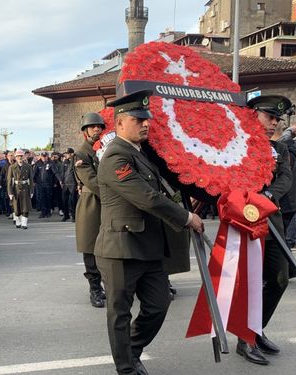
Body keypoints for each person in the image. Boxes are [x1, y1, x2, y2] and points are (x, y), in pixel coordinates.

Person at [95, 90, 203, 375]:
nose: (145, 124)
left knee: (158, 305)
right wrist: (186, 217)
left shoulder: (142, 154)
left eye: (147, 119)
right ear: (119, 123)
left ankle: (132, 349)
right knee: (119, 313)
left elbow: (164, 188)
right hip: (121, 248)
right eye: (137, 119)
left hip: (149, 248)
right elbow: (147, 197)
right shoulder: (115, 157)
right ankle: (126, 369)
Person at [241, 95, 294, 365]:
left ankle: (256, 329)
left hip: (271, 219)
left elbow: (286, 176)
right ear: (253, 115)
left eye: (277, 119)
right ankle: (245, 338)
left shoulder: (279, 149)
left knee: (279, 278)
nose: (274, 123)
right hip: (244, 220)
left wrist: (270, 195)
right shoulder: (237, 144)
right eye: (269, 117)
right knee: (248, 283)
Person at [74, 112, 106, 308]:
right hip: (91, 203)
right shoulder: (81, 154)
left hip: (109, 202)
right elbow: (92, 182)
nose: (97, 129)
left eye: (100, 126)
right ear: (85, 131)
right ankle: (95, 288)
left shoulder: (108, 149)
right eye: (93, 126)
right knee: (91, 247)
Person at [7, 149, 33, 229]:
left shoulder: (28, 166)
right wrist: (10, 192)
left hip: (25, 188)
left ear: (24, 156)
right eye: (18, 156)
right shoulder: (12, 167)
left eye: (21, 156)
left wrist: (31, 191)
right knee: (17, 208)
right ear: (15, 157)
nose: (20, 158)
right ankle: (18, 221)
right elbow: (9, 181)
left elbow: (31, 179)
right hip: (16, 188)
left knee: (25, 207)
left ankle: (24, 223)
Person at [60, 148, 78, 222]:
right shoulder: (65, 161)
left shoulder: (75, 161)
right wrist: (62, 181)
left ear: (71, 154)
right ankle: (66, 215)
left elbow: (77, 173)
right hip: (65, 184)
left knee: (73, 201)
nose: (66, 155)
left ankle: (74, 216)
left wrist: (78, 184)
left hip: (73, 183)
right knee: (64, 200)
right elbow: (62, 172)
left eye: (67, 153)